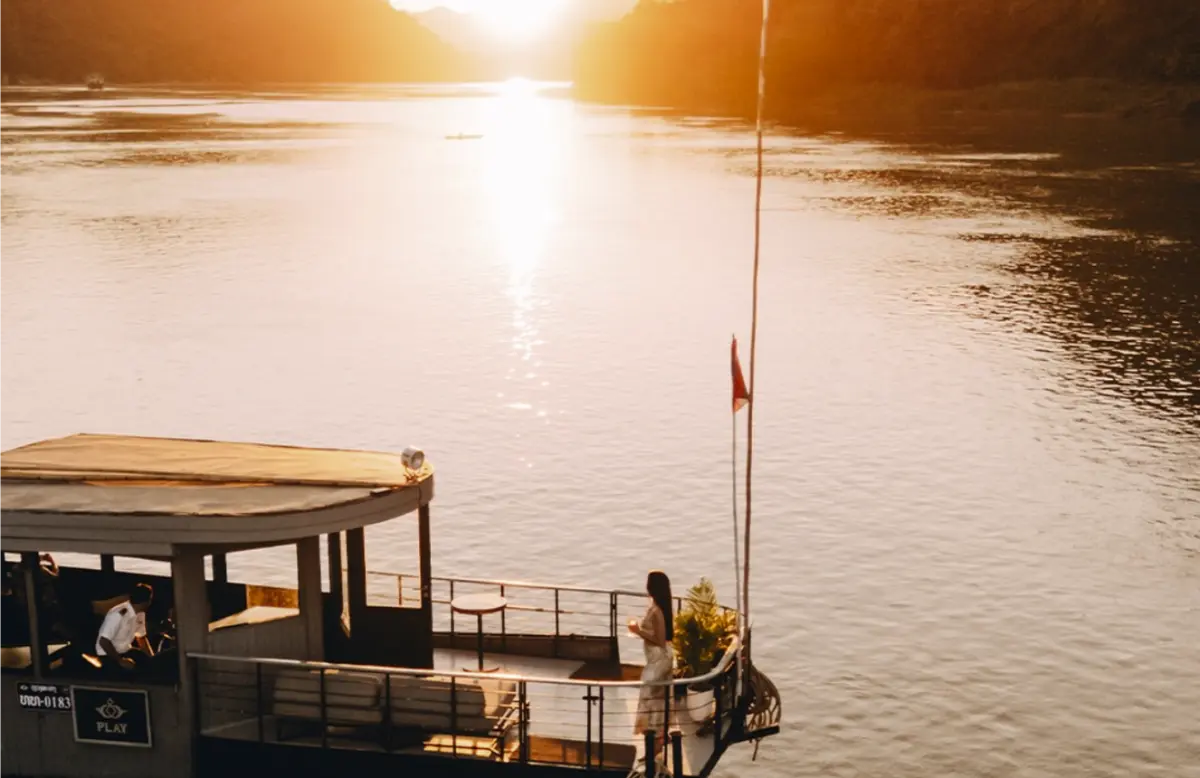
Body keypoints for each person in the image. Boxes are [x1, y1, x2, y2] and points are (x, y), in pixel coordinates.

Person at [628, 570, 674, 747]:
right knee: (658, 697)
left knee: (651, 695)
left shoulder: (657, 611)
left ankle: (656, 740)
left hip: (658, 658)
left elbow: (660, 640)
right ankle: (659, 738)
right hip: (657, 657)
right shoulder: (659, 608)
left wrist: (637, 630)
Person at [96, 583, 154, 670]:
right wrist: (120, 661)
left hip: (125, 650)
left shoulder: (140, 613)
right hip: (108, 654)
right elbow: (104, 641)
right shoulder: (118, 614)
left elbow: (141, 638)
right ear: (146, 602)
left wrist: (152, 660)